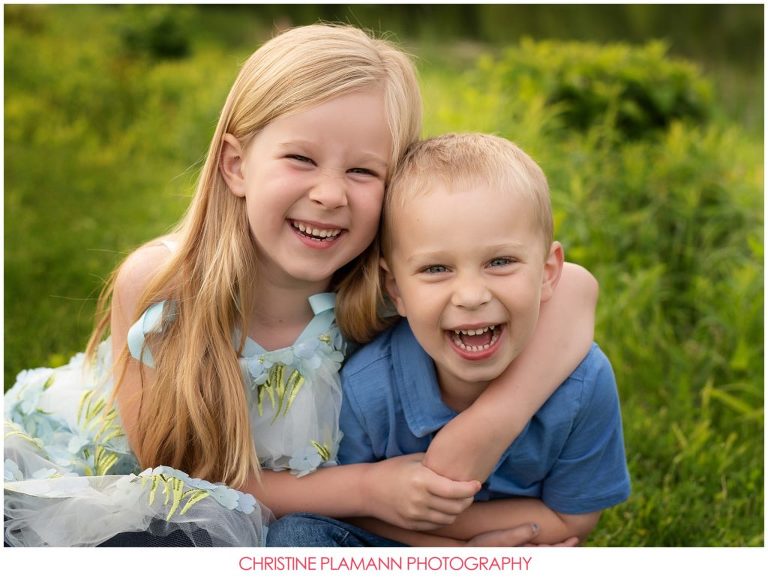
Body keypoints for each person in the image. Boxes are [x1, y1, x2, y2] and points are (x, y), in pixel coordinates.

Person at [4, 25, 597, 548]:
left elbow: (573, 286)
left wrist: (491, 424)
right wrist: (367, 489)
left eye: (363, 170)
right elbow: (174, 477)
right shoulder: (165, 286)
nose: (331, 194)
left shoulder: (392, 286)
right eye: (301, 159)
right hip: (141, 493)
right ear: (236, 165)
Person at [269, 134, 630, 547]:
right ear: (395, 289)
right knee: (295, 536)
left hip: (517, 552)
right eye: (437, 269)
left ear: (548, 272)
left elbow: (573, 520)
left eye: (500, 262)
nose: (472, 296)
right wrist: (454, 557)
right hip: (401, 550)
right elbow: (345, 511)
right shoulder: (368, 386)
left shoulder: (584, 384)